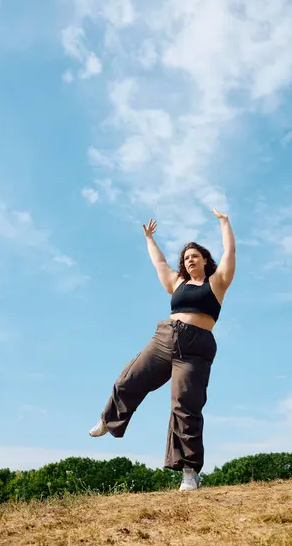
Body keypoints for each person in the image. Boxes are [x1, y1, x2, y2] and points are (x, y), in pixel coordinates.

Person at [89, 208, 236, 491]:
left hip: (196, 347)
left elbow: (229, 253)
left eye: (194, 255)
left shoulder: (217, 282)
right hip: (166, 337)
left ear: (205, 259)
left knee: (186, 405)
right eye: (186, 257)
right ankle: (109, 419)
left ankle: (189, 473)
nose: (189, 259)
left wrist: (224, 223)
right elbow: (159, 262)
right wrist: (148, 238)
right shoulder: (176, 283)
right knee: (130, 377)